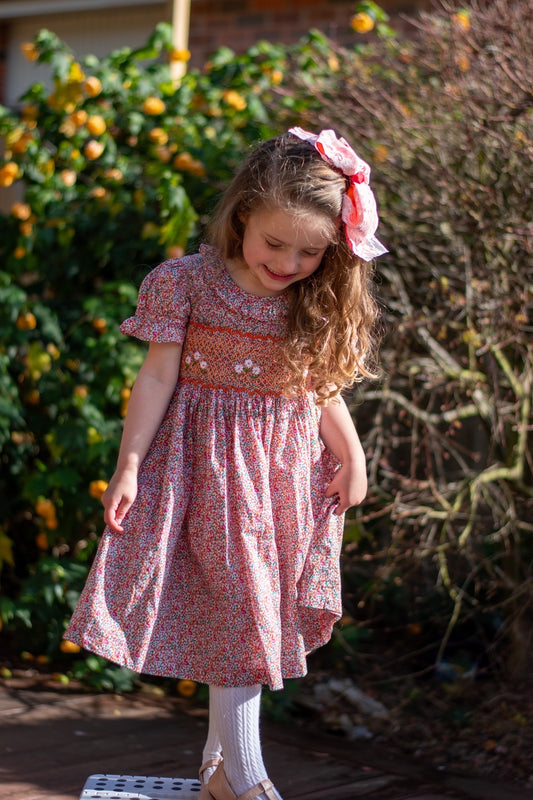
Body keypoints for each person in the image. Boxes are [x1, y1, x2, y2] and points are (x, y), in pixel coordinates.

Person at [65, 127, 387, 800]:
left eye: (308, 251)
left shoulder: (312, 298)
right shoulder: (185, 283)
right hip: (201, 471)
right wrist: (129, 466)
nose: (288, 262)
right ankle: (246, 777)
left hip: (280, 481)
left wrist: (350, 454)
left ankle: (216, 770)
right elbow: (155, 378)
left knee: (250, 610)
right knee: (239, 613)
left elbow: (316, 387)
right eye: (274, 243)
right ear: (242, 213)